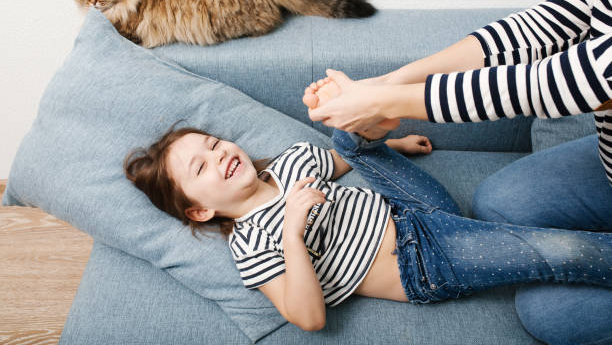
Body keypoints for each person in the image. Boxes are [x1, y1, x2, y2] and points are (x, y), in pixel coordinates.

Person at [305, 0, 612, 344]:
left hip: (422, 259)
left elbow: (588, 77)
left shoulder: (293, 165)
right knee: (498, 201)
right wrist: (388, 84)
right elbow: (552, 23)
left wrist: (388, 102)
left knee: (552, 312)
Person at [124, 117, 612, 333]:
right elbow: (309, 319)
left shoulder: (294, 162)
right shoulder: (252, 243)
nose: (219, 156)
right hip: (424, 263)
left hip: (415, 209)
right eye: (201, 168)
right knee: (559, 254)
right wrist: (293, 232)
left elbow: (340, 159)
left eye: (212, 144)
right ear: (200, 211)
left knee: (347, 134)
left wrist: (393, 148)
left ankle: (370, 114)